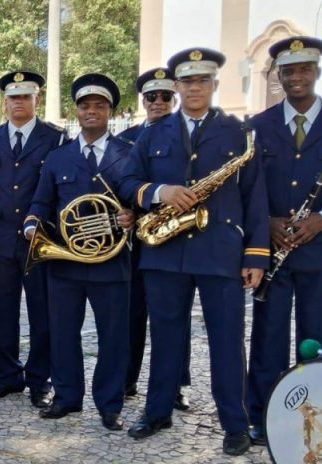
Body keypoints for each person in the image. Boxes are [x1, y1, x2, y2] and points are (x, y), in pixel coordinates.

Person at [119, 48, 267, 456]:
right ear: (177, 86)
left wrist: (255, 255)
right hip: (165, 251)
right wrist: (159, 192)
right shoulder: (153, 132)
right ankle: (157, 410)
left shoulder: (239, 133)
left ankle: (235, 423)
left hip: (221, 252)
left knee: (226, 341)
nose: (195, 88)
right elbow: (127, 179)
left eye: (203, 80)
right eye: (187, 82)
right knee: (165, 336)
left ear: (214, 84)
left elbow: (255, 198)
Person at [247, 36, 322, 446]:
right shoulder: (258, 125)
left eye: (304, 69)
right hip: (274, 251)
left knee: (315, 338)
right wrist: (266, 223)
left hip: (320, 249)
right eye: (288, 71)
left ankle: (313, 417)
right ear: (278, 76)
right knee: (267, 337)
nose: (296, 77)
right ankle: (262, 415)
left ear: (317, 72)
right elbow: (249, 187)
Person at [24, 74, 134, 431]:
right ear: (77, 111)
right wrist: (31, 227)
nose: (91, 112)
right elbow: (40, 202)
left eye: (99, 106)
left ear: (109, 111)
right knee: (63, 333)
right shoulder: (58, 158)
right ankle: (67, 397)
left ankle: (109, 403)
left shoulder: (129, 156)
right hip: (66, 263)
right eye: (85, 106)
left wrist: (132, 215)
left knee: (113, 336)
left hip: (111, 264)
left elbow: (141, 202)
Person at [0, 71, 64, 408]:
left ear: (36, 100)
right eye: (13, 97)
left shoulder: (55, 139)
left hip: (39, 238)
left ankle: (38, 380)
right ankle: (7, 377)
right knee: (1, 310)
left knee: (41, 311)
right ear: (5, 102)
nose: (19, 103)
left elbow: (58, 187)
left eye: (26, 97)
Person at [120, 68, 193, 411]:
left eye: (166, 96)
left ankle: (175, 384)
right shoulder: (127, 138)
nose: (159, 103)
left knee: (175, 314)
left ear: (174, 98)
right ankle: (128, 378)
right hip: (135, 240)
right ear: (143, 100)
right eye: (152, 97)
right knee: (132, 312)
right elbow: (119, 183)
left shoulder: (186, 135)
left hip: (176, 238)